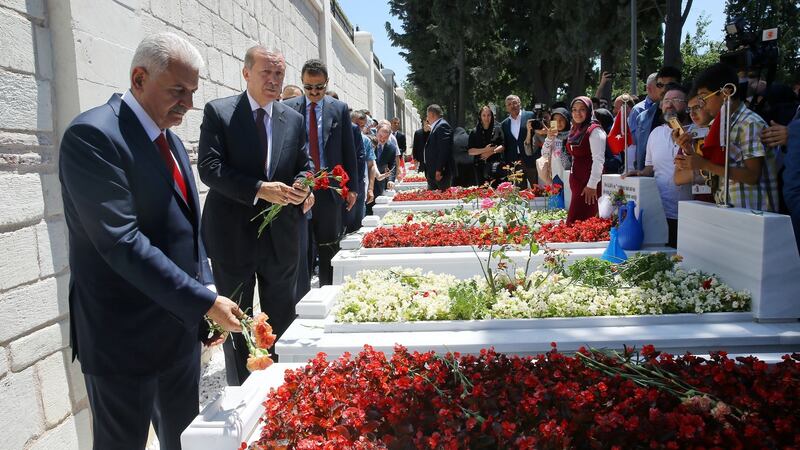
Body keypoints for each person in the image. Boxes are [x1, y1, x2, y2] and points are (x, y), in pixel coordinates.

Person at [58, 33, 243, 449]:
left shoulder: (172, 141)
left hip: (176, 333)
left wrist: (203, 298)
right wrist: (202, 301)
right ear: (139, 77)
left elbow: (185, 231)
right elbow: (121, 242)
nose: (188, 104)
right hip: (122, 340)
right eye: (178, 90)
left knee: (183, 440)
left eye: (193, 92)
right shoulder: (94, 137)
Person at [198, 47, 312, 386]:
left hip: (281, 236)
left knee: (282, 318)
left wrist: (305, 188)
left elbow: (304, 166)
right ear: (246, 73)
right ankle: (244, 392)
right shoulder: (220, 112)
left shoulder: (293, 118)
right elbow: (210, 168)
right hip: (232, 238)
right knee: (237, 321)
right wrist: (259, 188)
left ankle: (281, 390)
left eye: (279, 74)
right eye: (267, 73)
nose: (274, 80)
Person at [283, 59, 358, 285]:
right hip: (300, 189)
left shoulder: (339, 109)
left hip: (329, 189)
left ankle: (328, 291)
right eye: (308, 87)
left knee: (328, 246)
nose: (314, 92)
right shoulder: (288, 108)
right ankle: (302, 296)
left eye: (319, 87)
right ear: (302, 83)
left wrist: (352, 187)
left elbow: (348, 149)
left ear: (326, 83)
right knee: (301, 248)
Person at [675, 63, 778, 211]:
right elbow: (714, 170)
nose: (702, 105)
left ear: (726, 92)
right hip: (729, 213)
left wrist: (703, 164)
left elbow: (752, 176)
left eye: (704, 98)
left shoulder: (748, 123)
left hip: (754, 214)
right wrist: (690, 152)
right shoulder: (721, 126)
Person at [626, 84, 693, 248]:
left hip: (690, 214)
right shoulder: (655, 133)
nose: (669, 104)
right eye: (666, 100)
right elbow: (650, 168)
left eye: (676, 100)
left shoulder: (699, 132)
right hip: (659, 213)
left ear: (687, 104)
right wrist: (639, 173)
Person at [631, 67, 682, 171]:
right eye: (660, 85)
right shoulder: (643, 117)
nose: (664, 89)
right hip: (647, 179)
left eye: (670, 85)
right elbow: (640, 151)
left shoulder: (689, 115)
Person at [566, 96, 607, 224]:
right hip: (578, 182)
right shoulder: (575, 129)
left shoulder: (594, 131)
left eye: (582, 109)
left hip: (588, 185)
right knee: (576, 222)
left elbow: (599, 160)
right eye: (574, 110)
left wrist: (592, 185)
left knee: (583, 222)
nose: (577, 113)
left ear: (589, 110)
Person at [672, 91, 716, 203]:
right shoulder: (690, 136)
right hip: (700, 203)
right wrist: (705, 170)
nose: (692, 113)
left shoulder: (723, 132)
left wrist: (697, 167)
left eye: (697, 107)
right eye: (689, 109)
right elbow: (677, 178)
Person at [499, 95, 537, 186]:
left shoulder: (530, 115)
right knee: (519, 192)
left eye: (515, 103)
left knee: (536, 188)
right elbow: (505, 143)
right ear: (506, 108)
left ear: (519, 103)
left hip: (530, 158)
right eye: (509, 104)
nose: (512, 106)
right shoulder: (504, 124)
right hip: (515, 162)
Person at [468, 105, 504, 186]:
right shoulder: (474, 132)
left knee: (496, 192)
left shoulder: (498, 129)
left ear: (492, 116)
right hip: (479, 166)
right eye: (484, 115)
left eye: (489, 115)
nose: (486, 118)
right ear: (480, 116)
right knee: (482, 192)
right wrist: (485, 150)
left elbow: (502, 146)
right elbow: (470, 151)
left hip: (495, 166)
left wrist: (491, 152)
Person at [423, 104, 454, 190]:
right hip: (433, 172)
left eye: (427, 115)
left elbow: (444, 150)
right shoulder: (437, 126)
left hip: (440, 174)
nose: (427, 118)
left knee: (442, 199)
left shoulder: (442, 126)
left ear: (432, 114)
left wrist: (439, 169)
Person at [539, 107, 572, 186]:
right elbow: (544, 154)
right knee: (558, 197)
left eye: (561, 119)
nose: (558, 122)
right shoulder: (552, 136)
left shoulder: (573, 135)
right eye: (555, 120)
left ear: (567, 120)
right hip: (557, 176)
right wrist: (549, 139)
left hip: (571, 175)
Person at [371, 124, 399, 198]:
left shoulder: (391, 148)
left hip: (381, 182)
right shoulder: (369, 143)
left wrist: (390, 180)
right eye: (380, 136)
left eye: (385, 137)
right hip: (368, 180)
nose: (382, 139)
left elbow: (392, 165)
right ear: (376, 132)